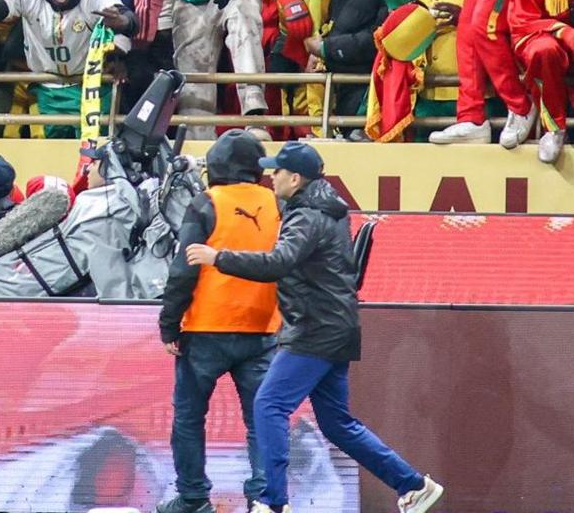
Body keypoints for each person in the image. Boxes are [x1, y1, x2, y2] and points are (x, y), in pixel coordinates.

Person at [184, 141, 444, 513]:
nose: (270, 177)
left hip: (314, 329)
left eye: (277, 172)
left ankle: (272, 502)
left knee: (270, 404)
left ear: (295, 178)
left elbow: (278, 262)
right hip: (335, 327)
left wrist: (217, 257)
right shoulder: (327, 207)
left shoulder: (307, 215)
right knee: (337, 424)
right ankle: (413, 485)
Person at [157, 131, 279, 513]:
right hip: (262, 326)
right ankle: (264, 498)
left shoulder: (206, 202)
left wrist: (169, 323)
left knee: (190, 419)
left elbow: (183, 269)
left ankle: (193, 499)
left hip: (205, 328)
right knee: (262, 420)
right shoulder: (278, 203)